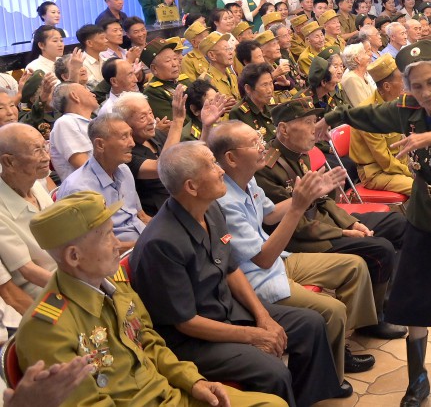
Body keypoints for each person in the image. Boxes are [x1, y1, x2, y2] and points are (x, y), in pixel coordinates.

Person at [314, 40, 431, 407]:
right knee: (413, 291)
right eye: (416, 85)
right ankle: (418, 379)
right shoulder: (407, 107)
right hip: (423, 210)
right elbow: (372, 115)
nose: (425, 92)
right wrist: (333, 117)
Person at [130, 141, 353, 403]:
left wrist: (263, 316)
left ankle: (306, 398)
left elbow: (231, 267)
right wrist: (252, 335)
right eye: (211, 165)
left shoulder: (210, 208)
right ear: (191, 186)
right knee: (274, 372)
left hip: (227, 310)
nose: (220, 170)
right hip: (194, 339)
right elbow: (186, 322)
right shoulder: (162, 243)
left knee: (310, 324)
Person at [17, 191, 285, 407]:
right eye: (106, 235)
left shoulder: (115, 285)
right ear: (74, 257)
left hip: (170, 394)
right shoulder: (48, 328)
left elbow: (150, 343)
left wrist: (193, 381)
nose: (117, 243)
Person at [210, 121, 381, 384]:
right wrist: (298, 207)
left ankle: (338, 345)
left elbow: (269, 215)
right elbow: (263, 259)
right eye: (255, 144)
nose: (262, 147)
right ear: (231, 158)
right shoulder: (223, 201)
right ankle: (330, 377)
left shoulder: (247, 178)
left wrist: (311, 193)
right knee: (332, 309)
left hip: (278, 260)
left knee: (354, 266)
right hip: (257, 278)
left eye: (260, 140)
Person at [253, 98, 407, 341]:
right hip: (303, 237)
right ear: (283, 129)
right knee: (381, 249)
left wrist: (350, 223)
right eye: (307, 123)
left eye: (315, 121)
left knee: (398, 225)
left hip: (324, 221)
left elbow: (322, 199)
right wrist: (343, 233)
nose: (314, 128)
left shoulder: (299, 154)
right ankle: (373, 320)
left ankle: (389, 299)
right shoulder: (267, 167)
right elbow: (286, 222)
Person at [57, 113, 150, 247]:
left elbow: (141, 216)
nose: (132, 143)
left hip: (142, 242)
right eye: (124, 137)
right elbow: (95, 248)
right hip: (119, 258)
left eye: (131, 135)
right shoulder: (79, 190)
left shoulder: (124, 170)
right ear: (100, 144)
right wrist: (148, 246)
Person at [0, 124, 56, 300]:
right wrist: (80, 286)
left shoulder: (37, 186)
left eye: (44, 146)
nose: (46, 156)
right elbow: (28, 271)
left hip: (67, 274)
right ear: (9, 161)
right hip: (42, 291)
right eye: (36, 150)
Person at [349, 56, 413, 195]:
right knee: (422, 188)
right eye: (401, 79)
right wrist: (411, 172)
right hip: (377, 172)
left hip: (400, 164)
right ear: (387, 86)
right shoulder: (369, 115)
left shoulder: (397, 102)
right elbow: (385, 160)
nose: (405, 83)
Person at [116, 91, 186, 216]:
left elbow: (186, 160)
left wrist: (206, 126)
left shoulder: (156, 135)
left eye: (150, 113)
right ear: (126, 124)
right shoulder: (126, 153)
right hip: (161, 213)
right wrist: (178, 121)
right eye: (142, 117)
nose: (151, 120)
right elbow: (162, 167)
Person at [49, 82, 99, 181]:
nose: (93, 94)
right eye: (86, 89)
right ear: (74, 96)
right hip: (88, 191)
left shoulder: (92, 122)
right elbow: (85, 166)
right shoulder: (65, 123)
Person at [143, 38, 189, 120]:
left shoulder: (184, 80)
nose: (175, 64)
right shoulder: (153, 92)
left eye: (175, 59)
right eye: (168, 61)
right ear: (154, 69)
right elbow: (173, 121)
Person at [76, 24, 108, 89]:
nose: (106, 40)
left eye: (105, 38)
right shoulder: (81, 64)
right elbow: (95, 88)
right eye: (102, 38)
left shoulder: (106, 60)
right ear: (89, 43)